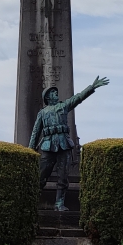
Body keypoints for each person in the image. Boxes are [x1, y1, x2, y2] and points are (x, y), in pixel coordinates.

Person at [28, 76, 109, 211]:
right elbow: (36, 132)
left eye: (56, 92)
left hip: (64, 145)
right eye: (53, 93)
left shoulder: (63, 106)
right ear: (48, 97)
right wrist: (30, 151)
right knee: (41, 176)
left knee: (63, 176)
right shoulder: (42, 113)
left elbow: (78, 98)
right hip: (48, 146)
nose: (56, 94)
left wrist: (92, 87)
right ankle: (31, 201)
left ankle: (59, 203)